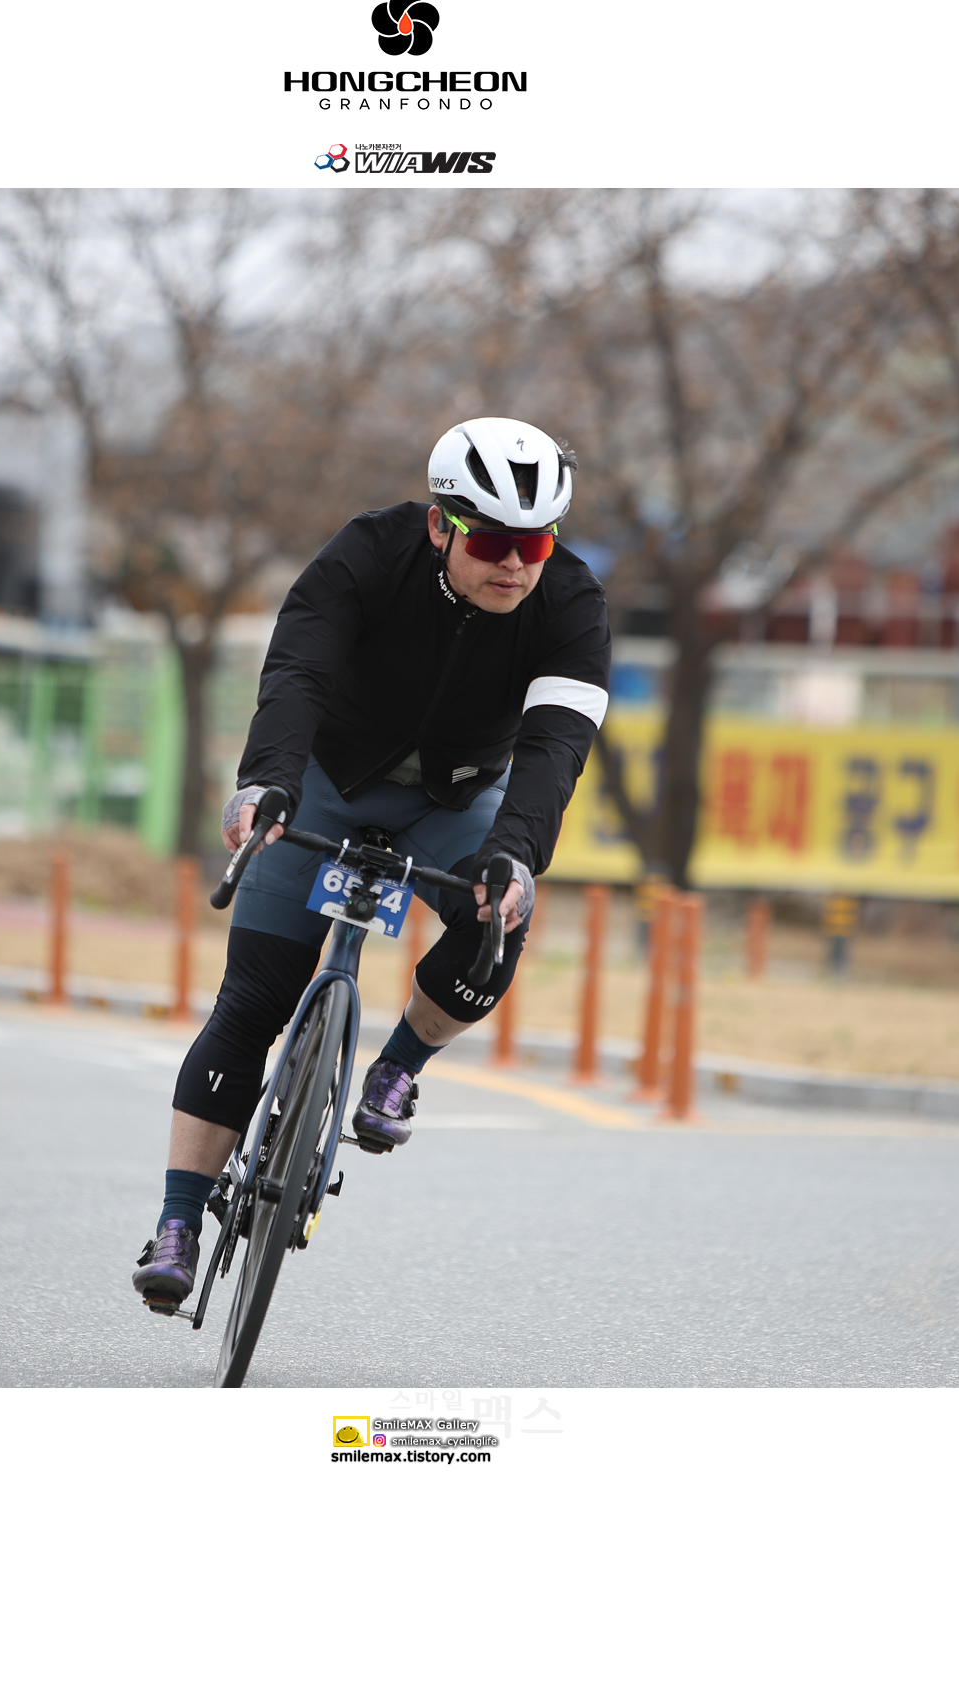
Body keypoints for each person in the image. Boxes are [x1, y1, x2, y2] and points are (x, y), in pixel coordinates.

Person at [133, 416, 611, 1307]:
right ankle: (177, 1223)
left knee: (500, 921)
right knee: (255, 1001)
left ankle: (400, 1065)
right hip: (327, 780)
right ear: (440, 526)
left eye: (538, 542)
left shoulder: (572, 605)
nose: (517, 564)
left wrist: (513, 855)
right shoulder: (366, 552)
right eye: (493, 542)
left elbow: (555, 747)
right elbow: (299, 673)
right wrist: (267, 784)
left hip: (454, 800)